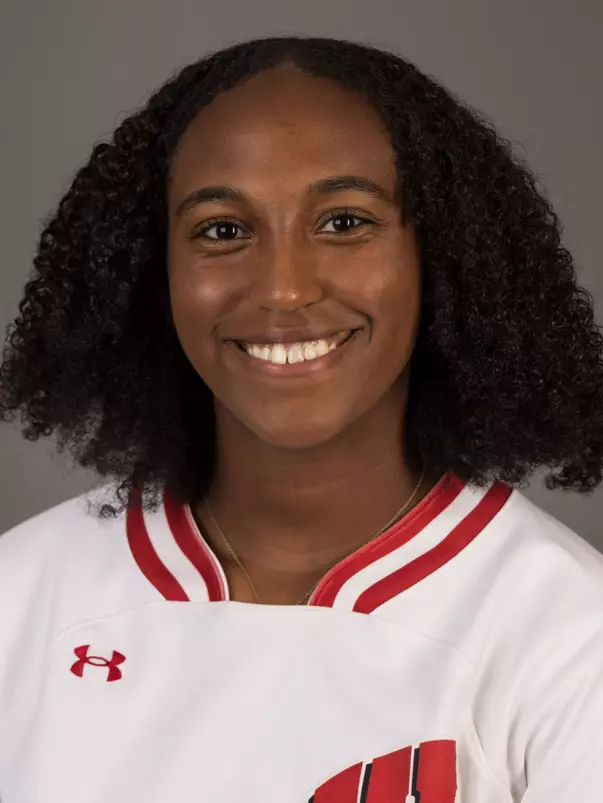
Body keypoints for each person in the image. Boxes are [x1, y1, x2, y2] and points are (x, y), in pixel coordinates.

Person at [0, 34, 602, 803]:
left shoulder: (568, 638)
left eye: (344, 222)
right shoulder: (20, 598)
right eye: (222, 230)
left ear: (439, 260)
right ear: (156, 275)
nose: (283, 289)